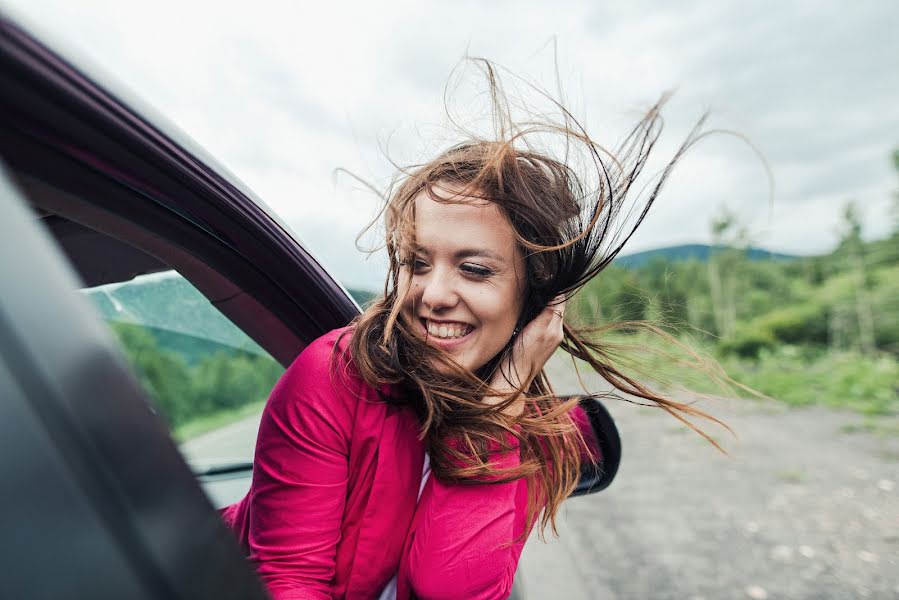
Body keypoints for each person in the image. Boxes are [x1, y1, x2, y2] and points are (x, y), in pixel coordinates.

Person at [221, 61, 725, 599]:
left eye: (475, 269)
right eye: (417, 263)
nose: (432, 295)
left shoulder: (543, 436)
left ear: (535, 297)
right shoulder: (334, 375)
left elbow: (446, 588)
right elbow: (289, 583)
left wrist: (503, 402)